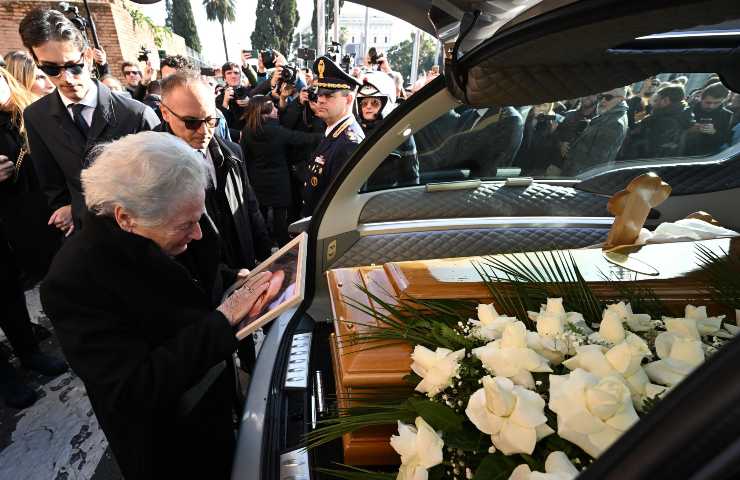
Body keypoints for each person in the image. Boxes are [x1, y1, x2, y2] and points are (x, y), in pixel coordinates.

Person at [41, 131, 273, 480]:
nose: (197, 234)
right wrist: (223, 321)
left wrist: (230, 280)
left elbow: (196, 274)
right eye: (186, 226)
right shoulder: (74, 281)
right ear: (125, 218)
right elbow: (132, 389)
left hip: (216, 403)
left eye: (199, 219)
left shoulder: (176, 210)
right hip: (171, 445)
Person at [19, 8, 160, 233]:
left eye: (73, 66)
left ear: (87, 56)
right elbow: (53, 187)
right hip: (87, 239)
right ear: (37, 62)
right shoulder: (36, 117)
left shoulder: (137, 115)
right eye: (51, 69)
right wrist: (71, 211)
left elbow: (161, 185)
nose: (66, 78)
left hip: (142, 235)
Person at [0, 66, 67, 409]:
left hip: (18, 224)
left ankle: (29, 353)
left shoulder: (22, 115)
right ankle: (5, 376)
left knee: (9, 295)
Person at [158, 71, 272, 270]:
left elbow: (250, 207)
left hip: (244, 270)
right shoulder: (149, 167)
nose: (204, 131)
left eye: (211, 120)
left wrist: (266, 256)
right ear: (165, 113)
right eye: (191, 122)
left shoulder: (233, 153)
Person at [240, 95, 322, 246]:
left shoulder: (247, 131)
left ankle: (263, 248)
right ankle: (284, 250)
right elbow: (301, 138)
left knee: (261, 219)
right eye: (274, 108)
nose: (277, 110)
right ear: (266, 112)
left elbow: (244, 156)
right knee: (280, 222)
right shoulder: (277, 131)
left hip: (257, 182)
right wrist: (325, 136)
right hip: (279, 183)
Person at [301, 56, 365, 217]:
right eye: (320, 93)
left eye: (329, 96)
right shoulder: (333, 132)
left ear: (348, 99)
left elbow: (340, 207)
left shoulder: (349, 143)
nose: (321, 100)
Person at [357, 71, 419, 188]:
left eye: (375, 102)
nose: (368, 106)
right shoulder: (354, 131)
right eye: (364, 103)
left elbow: (411, 178)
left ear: (386, 103)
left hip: (385, 200)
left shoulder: (400, 133)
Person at [562, 87, 629, 175]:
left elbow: (595, 161)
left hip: (579, 177)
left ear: (621, 99)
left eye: (608, 97)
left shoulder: (615, 123)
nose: (603, 101)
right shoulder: (610, 115)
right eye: (601, 97)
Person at [621, 84, 693, 159]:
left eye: (656, 100)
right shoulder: (675, 117)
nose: (653, 104)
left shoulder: (665, 121)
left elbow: (644, 144)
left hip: (638, 163)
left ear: (666, 101)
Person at [514, 102, 564, 176]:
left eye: (545, 106)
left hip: (537, 168)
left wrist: (552, 133)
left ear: (549, 107)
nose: (541, 109)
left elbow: (554, 149)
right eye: (538, 105)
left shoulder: (553, 122)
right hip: (518, 164)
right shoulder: (523, 116)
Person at [684, 82, 733, 156]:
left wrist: (714, 132)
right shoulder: (689, 108)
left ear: (724, 100)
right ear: (701, 98)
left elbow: (727, 140)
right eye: (708, 102)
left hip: (706, 156)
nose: (711, 106)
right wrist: (689, 130)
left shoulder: (727, 115)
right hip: (682, 153)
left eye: (717, 103)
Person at [216, 61, 250, 132]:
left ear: (240, 76)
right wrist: (225, 103)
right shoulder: (219, 99)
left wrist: (250, 103)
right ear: (224, 78)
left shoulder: (249, 92)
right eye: (229, 73)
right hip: (233, 138)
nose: (233, 76)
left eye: (236, 73)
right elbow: (220, 125)